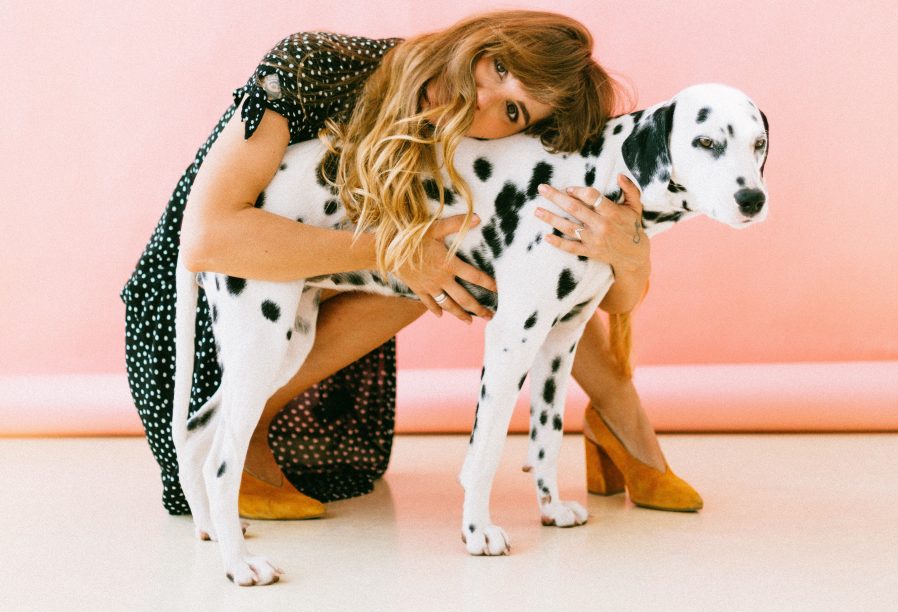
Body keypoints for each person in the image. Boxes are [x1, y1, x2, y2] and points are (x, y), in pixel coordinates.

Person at [121, 9, 702, 520]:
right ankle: (236, 434)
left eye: (514, 111)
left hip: (311, 319)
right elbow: (205, 241)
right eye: (498, 67)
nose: (482, 99)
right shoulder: (312, 63)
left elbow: (607, 298)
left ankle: (619, 422)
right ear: (482, 34)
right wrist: (399, 253)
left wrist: (627, 249)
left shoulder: (478, 146)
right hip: (199, 326)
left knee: (504, 257)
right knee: (450, 257)